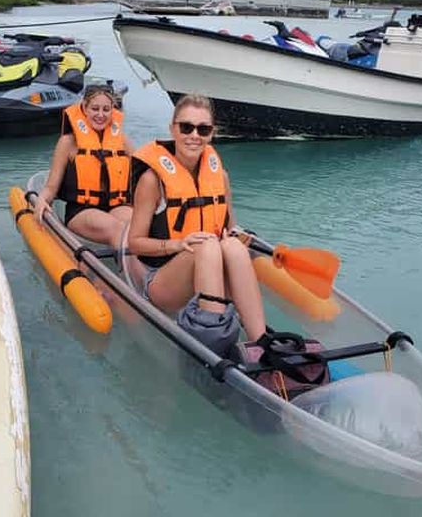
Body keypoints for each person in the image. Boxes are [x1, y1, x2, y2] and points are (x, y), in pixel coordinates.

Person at [127, 94, 266, 348]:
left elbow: (229, 228)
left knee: (233, 247)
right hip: (164, 282)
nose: (194, 135)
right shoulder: (153, 180)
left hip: (209, 269)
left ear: (211, 133)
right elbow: (134, 244)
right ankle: (213, 345)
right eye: (186, 127)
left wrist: (238, 238)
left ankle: (261, 341)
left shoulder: (219, 176)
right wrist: (178, 244)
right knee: (207, 245)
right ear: (173, 129)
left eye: (203, 129)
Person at [33, 85, 132, 248]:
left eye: (106, 109)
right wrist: (42, 200)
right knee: (117, 228)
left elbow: (143, 171)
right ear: (84, 108)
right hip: (82, 211)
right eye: (95, 109)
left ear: (112, 111)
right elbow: (51, 187)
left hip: (117, 205)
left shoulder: (122, 140)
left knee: (139, 226)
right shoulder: (68, 142)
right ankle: (135, 273)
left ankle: (152, 270)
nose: (100, 115)